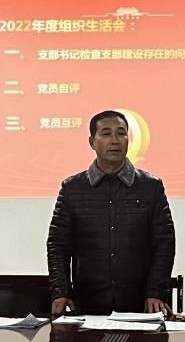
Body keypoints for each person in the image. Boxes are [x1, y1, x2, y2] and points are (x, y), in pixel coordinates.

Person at [47, 110, 176, 315]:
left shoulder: (151, 187)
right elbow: (58, 245)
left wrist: (155, 292)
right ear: (92, 142)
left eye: (121, 133)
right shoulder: (72, 189)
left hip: (141, 304)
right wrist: (61, 291)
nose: (115, 140)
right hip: (87, 302)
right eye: (106, 133)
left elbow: (164, 243)